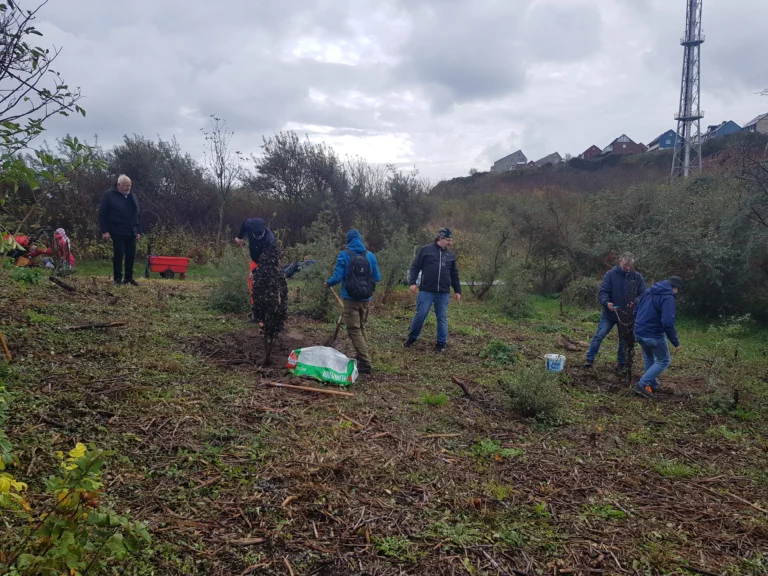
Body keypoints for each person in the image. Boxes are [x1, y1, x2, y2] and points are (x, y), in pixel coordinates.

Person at [325, 229, 381, 374]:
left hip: (350, 299)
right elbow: (377, 277)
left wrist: (328, 283)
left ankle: (366, 362)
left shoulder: (344, 255)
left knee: (354, 330)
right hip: (365, 299)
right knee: (361, 327)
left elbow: (337, 277)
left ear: (348, 241)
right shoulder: (370, 256)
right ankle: (361, 355)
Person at [585, 253, 646, 370]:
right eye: (625, 265)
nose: (628, 268)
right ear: (620, 263)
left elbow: (643, 294)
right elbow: (603, 291)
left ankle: (621, 363)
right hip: (609, 313)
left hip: (627, 315)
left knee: (623, 341)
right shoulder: (611, 274)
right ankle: (589, 359)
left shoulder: (637, 277)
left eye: (630, 265)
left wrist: (635, 301)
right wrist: (606, 302)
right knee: (599, 335)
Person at [404, 227, 462, 352]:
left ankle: (441, 344)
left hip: (443, 292)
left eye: (451, 240)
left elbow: (454, 274)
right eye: (448, 240)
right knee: (421, 315)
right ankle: (412, 338)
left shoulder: (450, 255)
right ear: (441, 238)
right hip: (426, 290)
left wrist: (457, 290)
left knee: (442, 317)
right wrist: (412, 282)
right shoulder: (426, 250)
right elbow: (415, 267)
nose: (450, 243)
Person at [632, 276, 683, 399]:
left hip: (638, 331)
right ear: (675, 288)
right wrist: (675, 342)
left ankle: (653, 384)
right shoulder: (668, 297)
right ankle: (642, 385)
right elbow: (667, 322)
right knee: (664, 360)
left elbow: (635, 311)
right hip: (653, 334)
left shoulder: (648, 291)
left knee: (649, 357)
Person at [98, 175, 141, 285]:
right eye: (126, 186)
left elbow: (137, 214)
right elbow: (102, 214)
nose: (128, 188)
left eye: (130, 186)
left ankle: (129, 278)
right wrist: (105, 231)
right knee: (118, 254)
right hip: (117, 230)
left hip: (131, 230)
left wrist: (138, 231)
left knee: (131, 255)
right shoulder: (109, 195)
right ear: (119, 185)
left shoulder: (132, 196)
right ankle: (117, 279)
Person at [235, 218, 276, 305]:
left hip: (269, 264)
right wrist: (239, 237)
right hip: (255, 261)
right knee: (252, 284)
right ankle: (256, 310)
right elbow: (245, 222)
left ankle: (269, 309)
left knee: (266, 286)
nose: (258, 237)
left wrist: (255, 271)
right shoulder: (250, 225)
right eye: (256, 235)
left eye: (260, 235)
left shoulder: (270, 239)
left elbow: (267, 260)